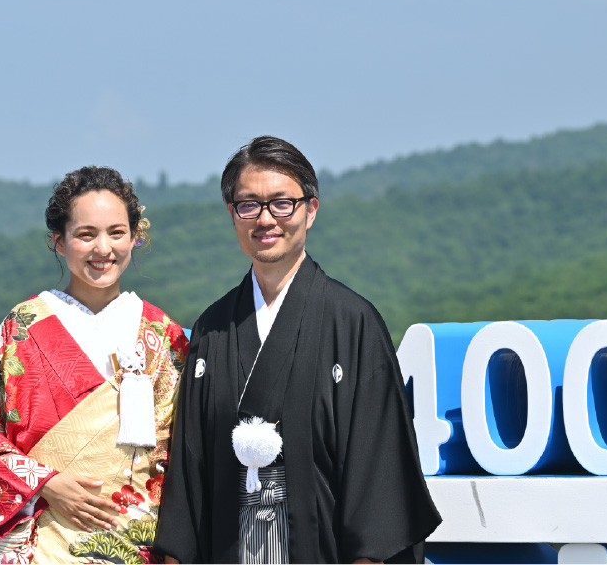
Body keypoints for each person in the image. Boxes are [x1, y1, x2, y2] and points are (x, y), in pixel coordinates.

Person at [155, 136, 441, 564]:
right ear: (232, 215)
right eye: (248, 204)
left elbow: (379, 468)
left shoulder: (353, 322)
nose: (266, 219)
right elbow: (189, 474)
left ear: (311, 209)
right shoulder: (213, 330)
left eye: (282, 203)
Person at [0, 166, 189, 564]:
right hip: (43, 540)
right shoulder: (24, 327)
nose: (103, 248)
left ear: (136, 237)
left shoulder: (162, 334)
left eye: (117, 232)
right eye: (86, 234)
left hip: (134, 542)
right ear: (58, 243)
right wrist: (45, 482)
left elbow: (186, 449)